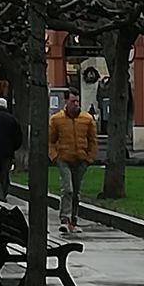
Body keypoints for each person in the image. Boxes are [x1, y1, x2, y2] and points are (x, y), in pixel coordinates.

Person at [49, 90, 98, 234]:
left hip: (81, 159)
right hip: (64, 158)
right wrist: (54, 156)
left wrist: (90, 158)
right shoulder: (57, 119)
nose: (75, 104)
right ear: (66, 102)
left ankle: (73, 220)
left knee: (76, 191)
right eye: (72, 101)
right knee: (68, 189)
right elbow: (51, 140)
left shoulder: (87, 119)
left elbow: (92, 140)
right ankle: (65, 218)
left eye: (77, 101)